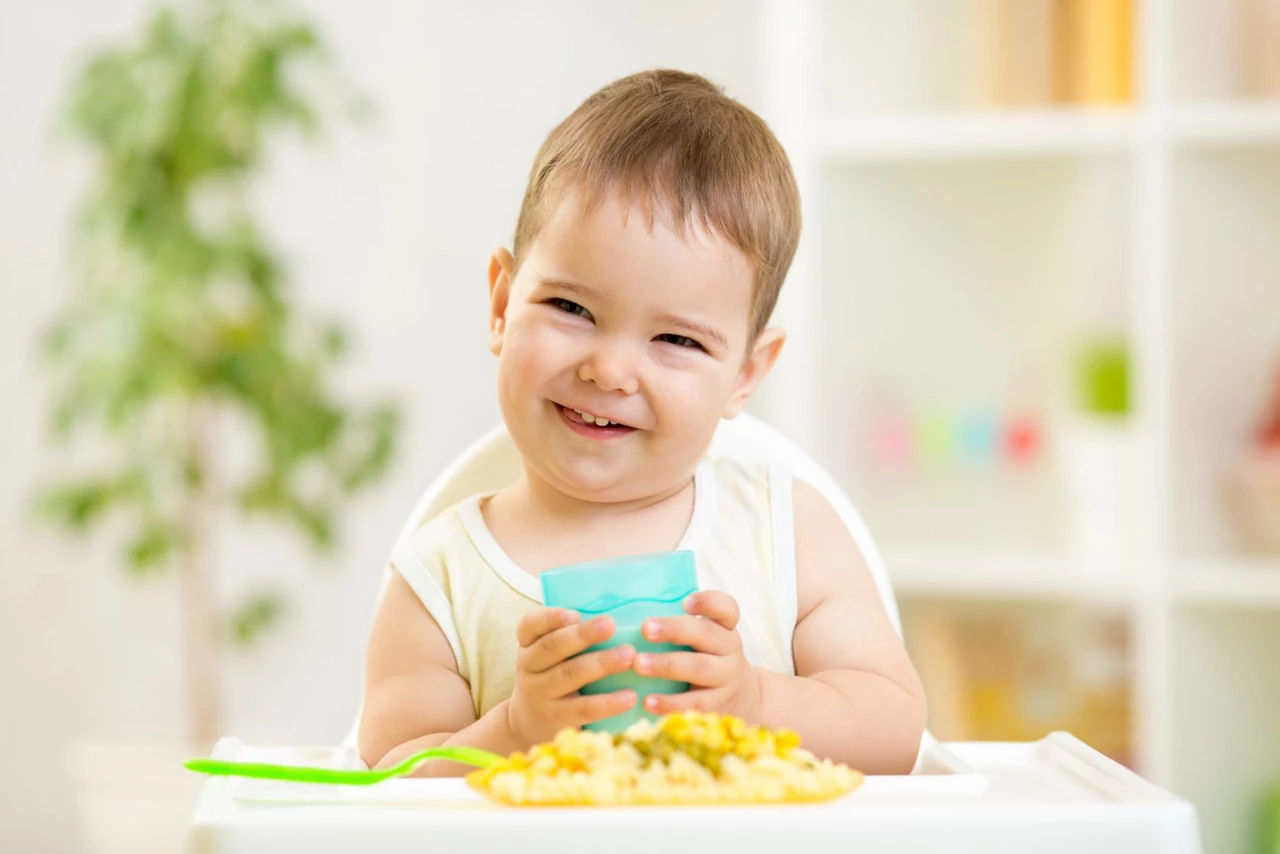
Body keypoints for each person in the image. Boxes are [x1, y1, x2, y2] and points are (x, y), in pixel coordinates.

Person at [358, 69, 926, 776]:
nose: (611, 371)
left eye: (677, 341)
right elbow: (386, 780)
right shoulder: (438, 579)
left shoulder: (789, 533)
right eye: (572, 309)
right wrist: (511, 733)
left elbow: (895, 729)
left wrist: (755, 703)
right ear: (502, 305)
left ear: (746, 373)